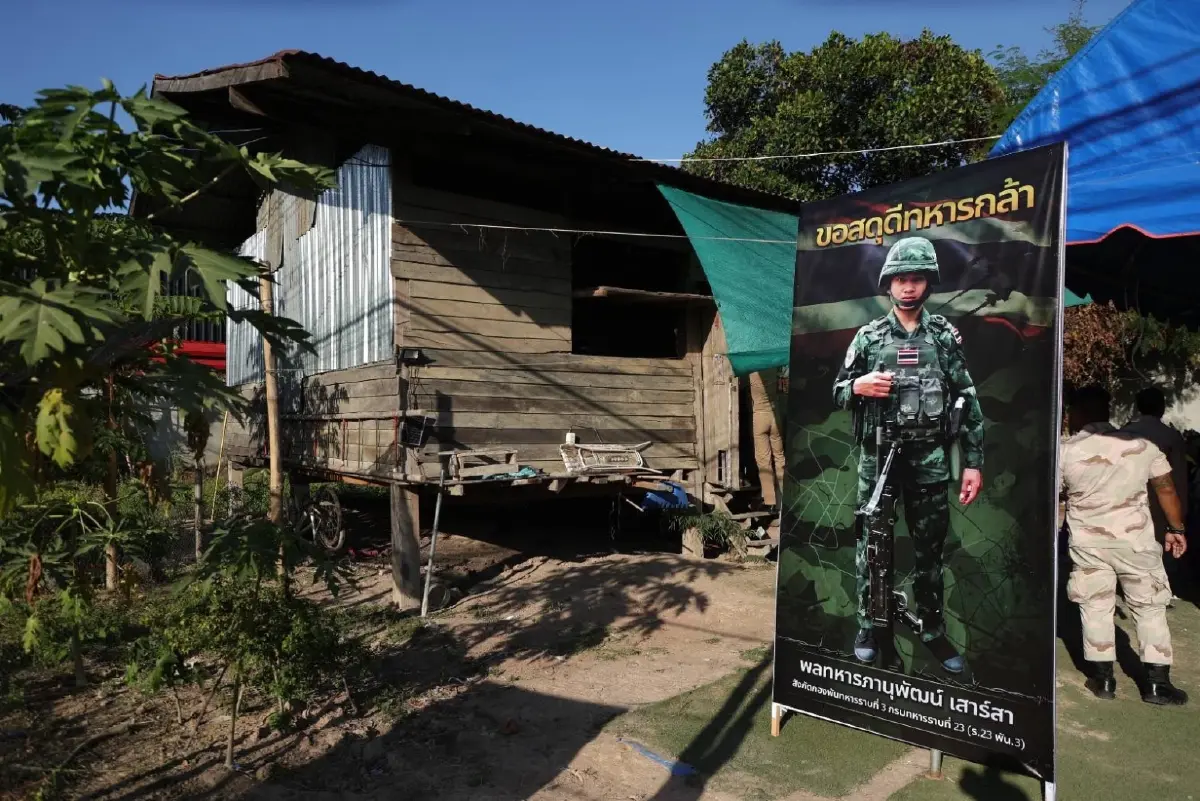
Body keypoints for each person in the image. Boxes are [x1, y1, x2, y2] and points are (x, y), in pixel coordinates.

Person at [832, 236, 985, 674]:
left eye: (917, 278)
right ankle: (868, 626)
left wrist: (973, 463)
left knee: (929, 552)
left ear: (928, 283)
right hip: (878, 459)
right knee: (871, 545)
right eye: (901, 279)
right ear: (889, 284)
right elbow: (838, 390)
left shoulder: (943, 337)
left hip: (930, 460)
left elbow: (967, 397)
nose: (908, 286)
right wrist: (858, 386)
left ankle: (933, 630)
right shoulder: (869, 337)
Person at [1061, 384, 1188, 706]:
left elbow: (1054, 495)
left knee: (1095, 605)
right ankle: (1157, 684)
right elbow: (1166, 489)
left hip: (1089, 544)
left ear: (1077, 412)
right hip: (1136, 543)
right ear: (1106, 410)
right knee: (1149, 608)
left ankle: (1103, 680)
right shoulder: (1142, 446)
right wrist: (1176, 529)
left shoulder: (1065, 452)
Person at [1121, 386, 1189, 598]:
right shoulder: (1170, 436)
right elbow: (1178, 479)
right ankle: (1157, 591)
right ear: (1162, 407)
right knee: (1160, 550)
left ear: (1138, 407)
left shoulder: (1123, 433)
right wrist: (1179, 518)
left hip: (1128, 502)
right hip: (1160, 505)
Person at [749, 367, 786, 512]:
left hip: (760, 415)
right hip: (775, 415)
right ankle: (784, 495)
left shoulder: (752, 369)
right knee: (779, 457)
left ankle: (770, 500)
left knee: (764, 460)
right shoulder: (774, 365)